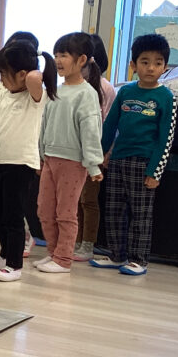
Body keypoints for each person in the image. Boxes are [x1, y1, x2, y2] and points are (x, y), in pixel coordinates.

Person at [91, 33, 176, 276]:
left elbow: (166, 138)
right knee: (114, 210)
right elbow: (110, 126)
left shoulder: (166, 97)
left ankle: (139, 260)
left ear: (165, 67)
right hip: (118, 160)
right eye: (145, 62)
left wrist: (155, 172)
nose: (151, 68)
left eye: (158, 63)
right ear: (133, 65)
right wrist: (99, 156)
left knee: (140, 214)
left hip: (145, 163)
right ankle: (117, 255)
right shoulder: (125, 92)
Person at [0, 38, 57, 281]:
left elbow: (35, 78)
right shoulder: (3, 93)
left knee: (13, 215)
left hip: (21, 164)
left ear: (22, 74)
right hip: (0, 160)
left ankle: (14, 264)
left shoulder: (36, 97)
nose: (1, 80)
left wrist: (33, 63)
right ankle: (3, 254)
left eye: (4, 74)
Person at [34, 32, 104, 273]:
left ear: (81, 59)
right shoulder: (56, 89)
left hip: (73, 162)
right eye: (56, 55)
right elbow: (44, 124)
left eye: (63, 55)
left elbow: (91, 131)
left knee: (66, 212)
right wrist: (41, 156)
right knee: (44, 209)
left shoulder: (87, 94)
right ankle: (53, 253)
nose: (58, 60)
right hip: (50, 159)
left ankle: (63, 259)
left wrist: (93, 164)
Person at [73, 34, 117, 261]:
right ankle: (75, 240)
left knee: (88, 201)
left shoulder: (105, 88)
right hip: (72, 153)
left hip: (94, 154)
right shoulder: (73, 85)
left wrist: (103, 154)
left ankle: (88, 244)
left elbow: (109, 123)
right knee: (74, 200)